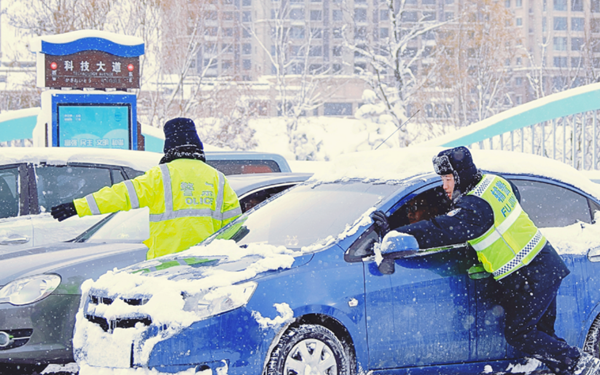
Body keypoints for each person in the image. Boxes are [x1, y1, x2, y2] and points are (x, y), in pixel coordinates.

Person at [371, 146, 600, 375]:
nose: (444, 186)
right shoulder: (494, 183)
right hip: (543, 264)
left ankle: (579, 364)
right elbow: (514, 194)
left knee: (520, 334)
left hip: (529, 275)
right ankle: (570, 368)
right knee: (543, 336)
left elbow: (442, 229)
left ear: (460, 176)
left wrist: (396, 232)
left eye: (448, 179)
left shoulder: (476, 208)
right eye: (442, 179)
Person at [50, 117, 242, 260]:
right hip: (206, 262)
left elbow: (120, 195)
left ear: (169, 146)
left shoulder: (161, 175)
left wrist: (78, 206)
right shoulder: (218, 179)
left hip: (166, 264)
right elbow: (235, 225)